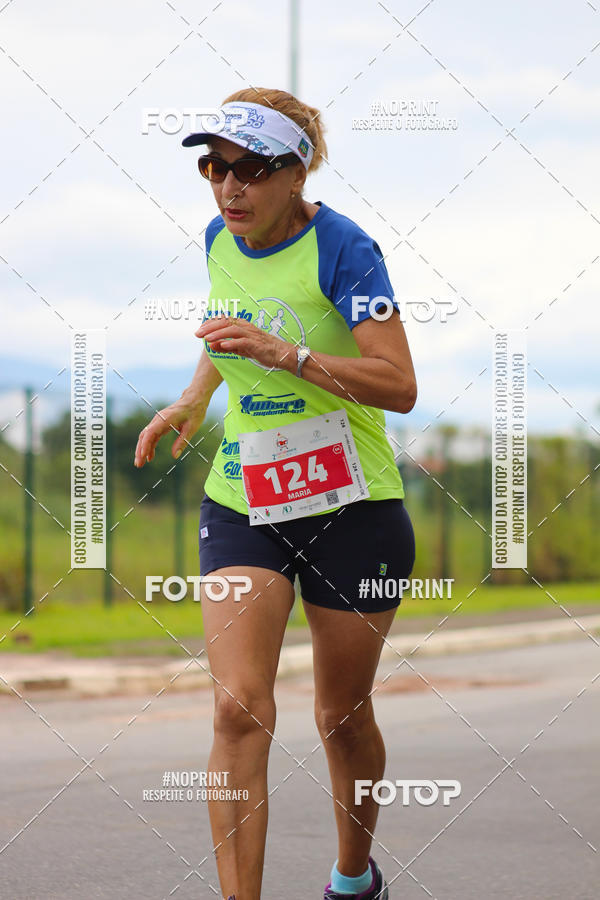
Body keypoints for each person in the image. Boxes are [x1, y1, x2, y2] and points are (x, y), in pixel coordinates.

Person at [134, 87, 417, 900]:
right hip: (247, 501)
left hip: (353, 507)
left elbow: (399, 384)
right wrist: (195, 398)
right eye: (213, 167)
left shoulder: (346, 248)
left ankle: (354, 877)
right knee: (237, 710)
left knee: (341, 716)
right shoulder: (222, 237)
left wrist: (286, 353)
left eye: (252, 170)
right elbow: (230, 327)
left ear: (298, 172)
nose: (230, 188)